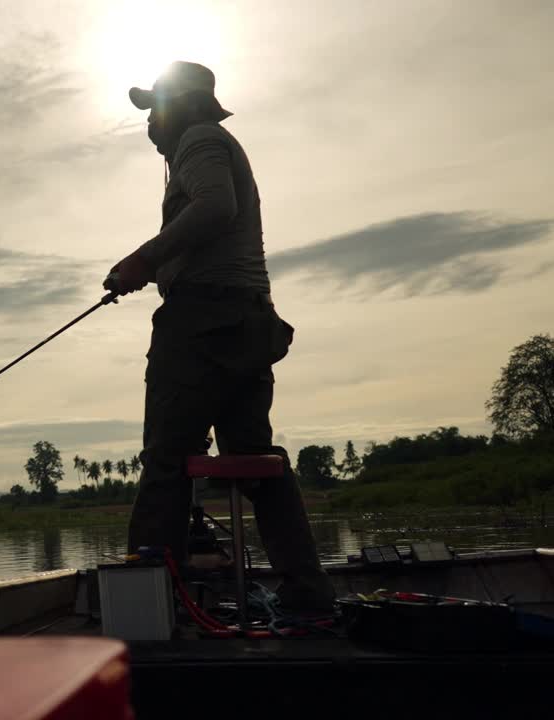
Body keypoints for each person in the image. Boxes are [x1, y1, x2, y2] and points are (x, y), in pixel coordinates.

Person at [104, 61, 334, 613]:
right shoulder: (210, 142)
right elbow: (213, 228)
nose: (149, 127)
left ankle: (153, 610)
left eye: (153, 112)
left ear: (178, 107)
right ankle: (310, 598)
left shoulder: (199, 138)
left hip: (202, 325)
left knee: (166, 463)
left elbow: (215, 207)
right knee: (256, 457)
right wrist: (157, 270)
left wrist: (144, 257)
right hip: (249, 325)